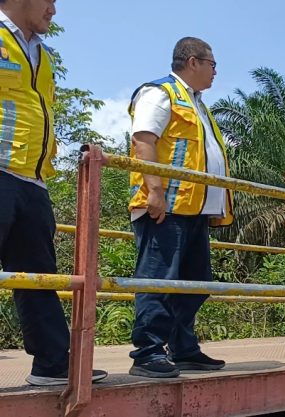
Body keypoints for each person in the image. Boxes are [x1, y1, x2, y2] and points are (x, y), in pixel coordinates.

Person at [0, 0, 108, 386]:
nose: (54, 10)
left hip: (31, 179)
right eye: (49, 0)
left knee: (38, 277)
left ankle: (50, 364)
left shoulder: (41, 55)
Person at [127, 37, 234, 378]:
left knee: (197, 281)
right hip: (167, 206)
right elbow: (143, 140)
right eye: (213, 64)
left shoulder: (198, 103)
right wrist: (154, 191)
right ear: (192, 62)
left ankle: (182, 347)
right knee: (159, 279)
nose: (216, 71)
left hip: (194, 210)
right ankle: (147, 352)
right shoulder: (160, 93)